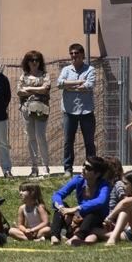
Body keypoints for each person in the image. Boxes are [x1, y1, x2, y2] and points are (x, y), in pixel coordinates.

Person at [49, 155, 110, 246]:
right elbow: (58, 195)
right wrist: (61, 207)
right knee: (60, 208)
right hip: (79, 217)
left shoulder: (104, 185)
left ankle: (77, 237)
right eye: (83, 165)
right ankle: (55, 236)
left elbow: (100, 201)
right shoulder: (78, 180)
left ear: (97, 174)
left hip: (96, 220)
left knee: (93, 213)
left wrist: (76, 209)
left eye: (88, 168)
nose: (83, 168)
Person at [57, 43, 97, 175]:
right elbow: (59, 83)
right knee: (68, 141)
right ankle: (68, 168)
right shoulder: (66, 70)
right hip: (69, 111)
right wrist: (79, 82)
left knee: (89, 142)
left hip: (86, 111)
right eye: (72, 53)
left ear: (82, 55)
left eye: (76, 53)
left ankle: (91, 168)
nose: (74, 56)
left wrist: (69, 86)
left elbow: (89, 85)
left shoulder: (90, 69)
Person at [17, 50, 51, 176]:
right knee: (30, 138)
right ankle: (34, 167)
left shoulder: (45, 75)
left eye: (37, 60)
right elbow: (19, 92)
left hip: (41, 108)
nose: (35, 62)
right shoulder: (23, 76)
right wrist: (37, 91)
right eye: (32, 60)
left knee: (41, 136)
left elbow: (45, 89)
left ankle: (45, 166)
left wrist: (29, 89)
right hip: (26, 109)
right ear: (27, 62)